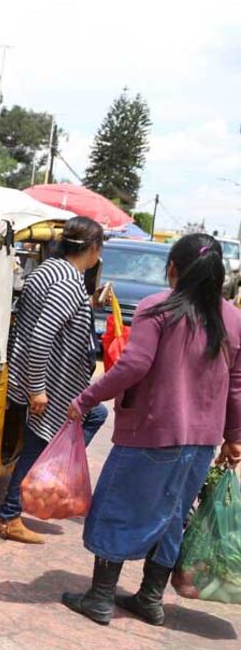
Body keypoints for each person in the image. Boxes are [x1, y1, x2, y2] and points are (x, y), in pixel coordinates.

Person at [61, 234, 241, 626]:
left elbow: (133, 365)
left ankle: (101, 597)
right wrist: (234, 437)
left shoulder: (157, 307)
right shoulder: (234, 319)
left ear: (173, 268)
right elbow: (237, 384)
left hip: (151, 433)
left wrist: (86, 398)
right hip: (201, 443)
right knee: (173, 516)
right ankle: (149, 599)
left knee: (117, 507)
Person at [0, 216, 110, 544]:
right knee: (41, 444)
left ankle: (36, 489)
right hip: (49, 382)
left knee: (85, 420)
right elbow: (42, 335)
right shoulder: (68, 283)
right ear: (93, 249)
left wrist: (89, 304)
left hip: (38, 374)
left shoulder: (48, 270)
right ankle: (10, 515)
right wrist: (38, 389)